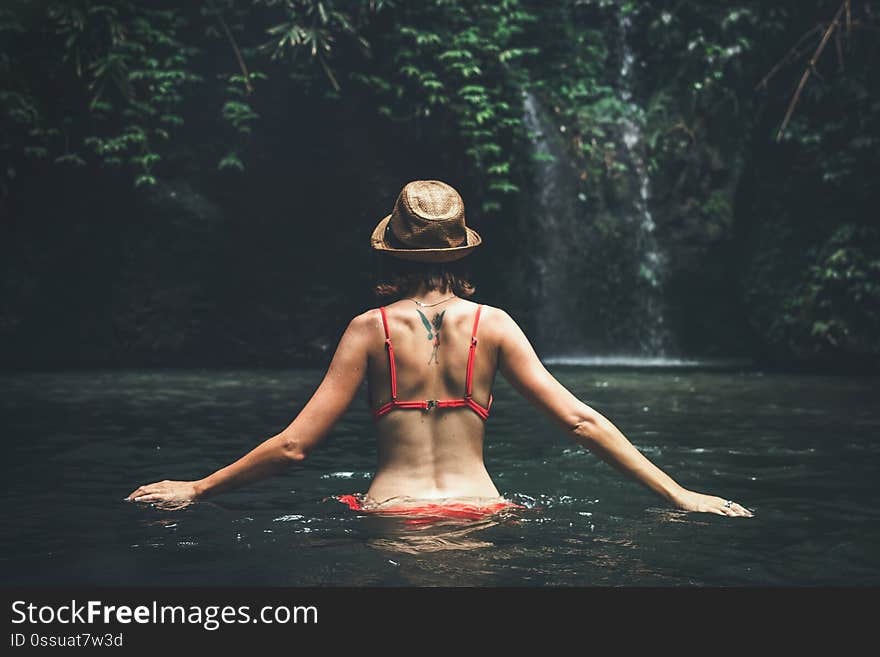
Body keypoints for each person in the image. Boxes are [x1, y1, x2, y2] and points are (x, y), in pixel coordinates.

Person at [127, 180, 753, 519]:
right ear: (462, 253)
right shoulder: (497, 325)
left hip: (390, 515)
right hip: (483, 512)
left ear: (392, 253)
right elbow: (582, 421)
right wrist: (681, 494)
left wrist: (199, 488)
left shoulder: (366, 329)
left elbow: (295, 446)